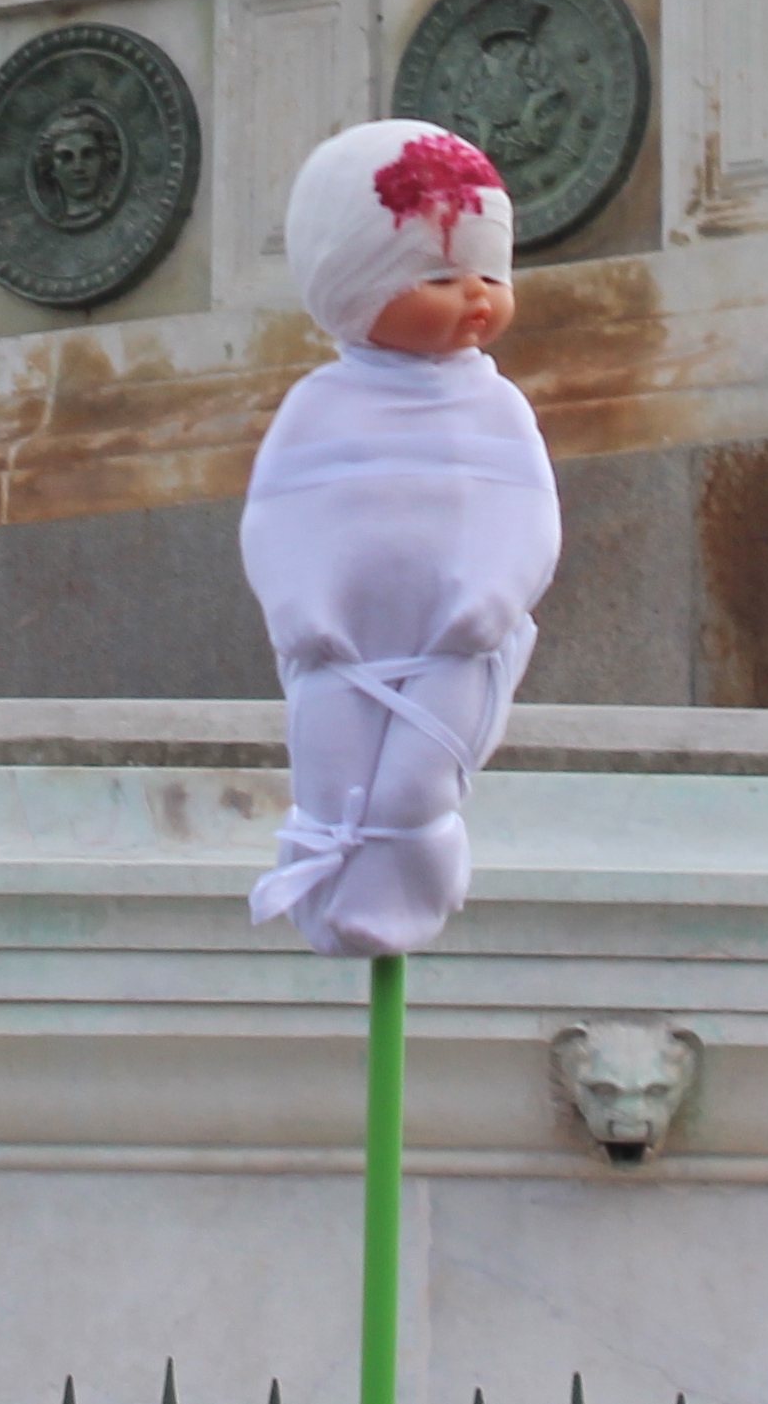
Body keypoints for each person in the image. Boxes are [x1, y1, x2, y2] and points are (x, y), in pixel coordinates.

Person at [239, 121, 564, 958]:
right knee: (331, 781)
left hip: (457, 644)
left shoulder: (495, 410)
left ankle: (409, 895)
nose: (477, 295)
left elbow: (525, 513)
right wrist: (299, 604)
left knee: (412, 789)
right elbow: (278, 516)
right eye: (439, 274)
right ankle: (331, 893)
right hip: (340, 648)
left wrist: (494, 595)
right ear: (354, 283)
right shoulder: (318, 407)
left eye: (491, 273)